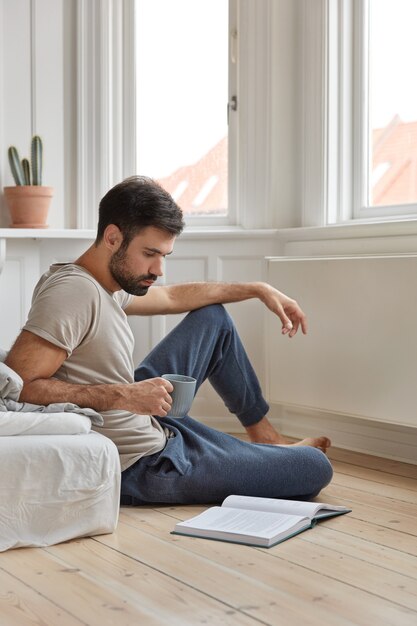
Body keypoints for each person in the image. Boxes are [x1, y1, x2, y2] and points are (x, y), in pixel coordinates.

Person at [5, 176, 333, 505]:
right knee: (314, 467)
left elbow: (173, 297)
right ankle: (258, 453)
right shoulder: (74, 292)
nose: (159, 268)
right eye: (150, 253)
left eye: (164, 254)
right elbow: (22, 385)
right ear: (112, 237)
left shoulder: (104, 283)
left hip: (142, 415)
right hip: (142, 462)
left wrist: (257, 289)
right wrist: (125, 395)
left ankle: (267, 439)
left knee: (213, 318)